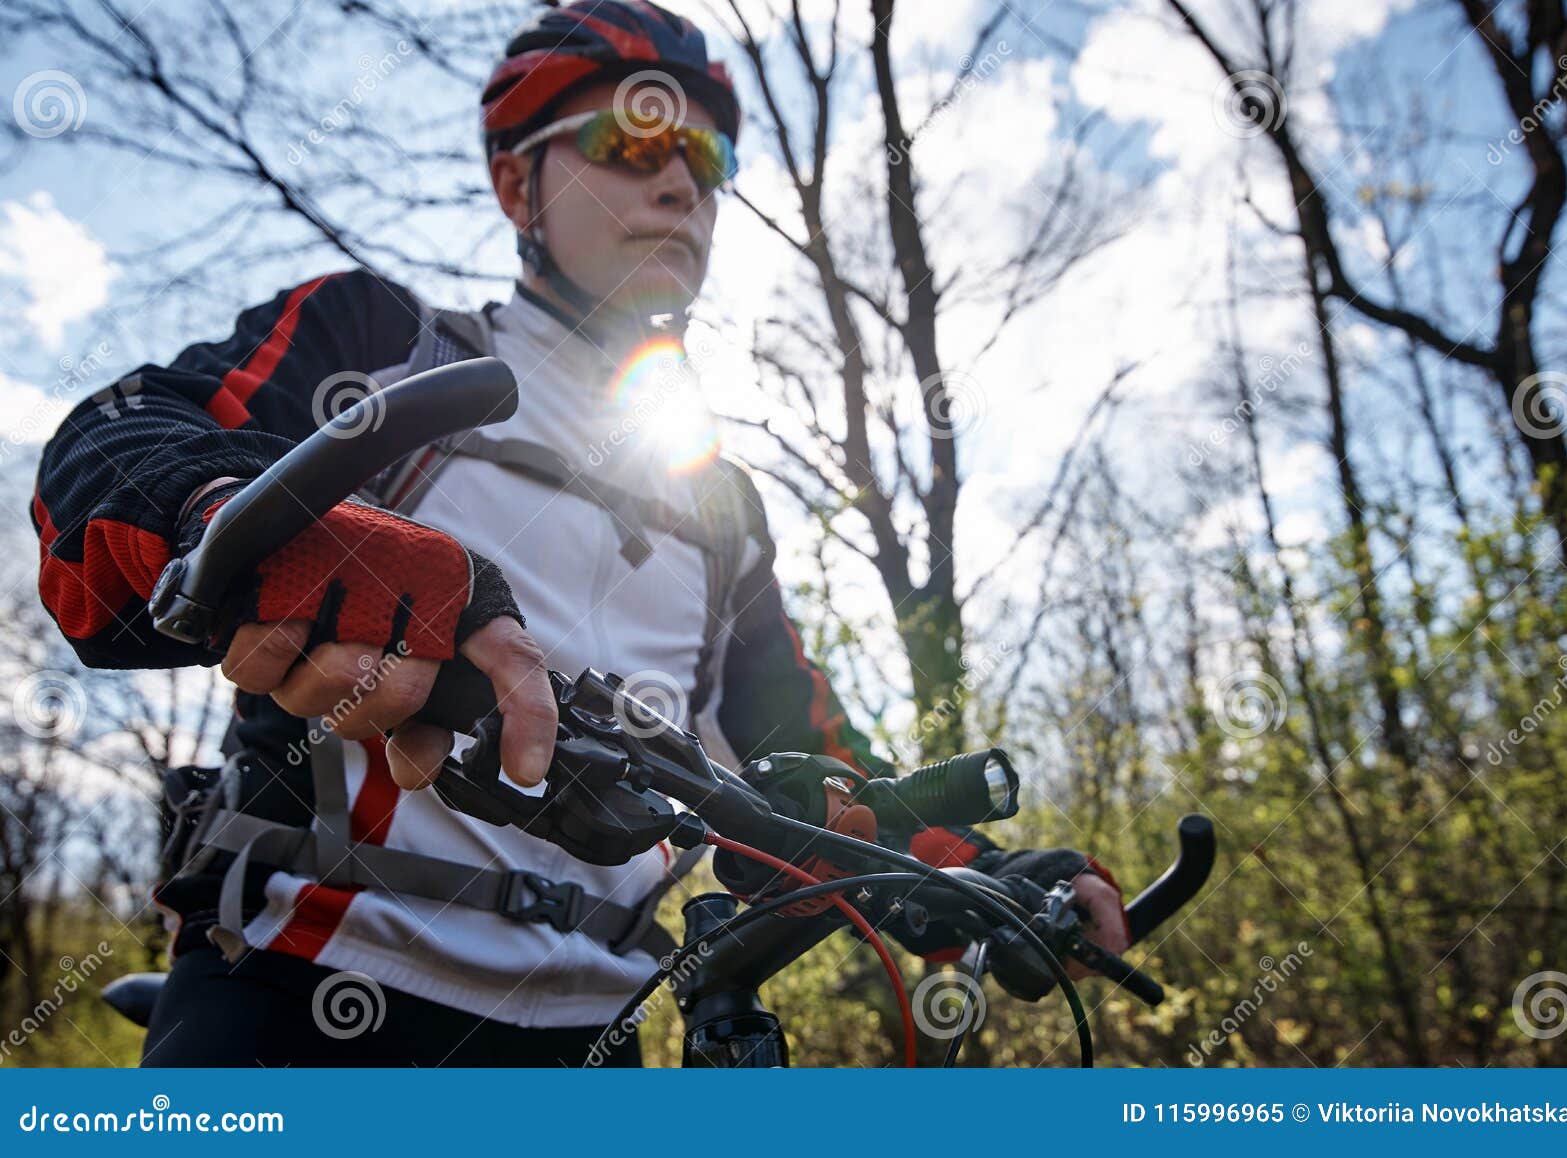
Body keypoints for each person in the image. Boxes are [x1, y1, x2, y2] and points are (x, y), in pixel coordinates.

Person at [32, 0, 1129, 1068]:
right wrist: (240, 522)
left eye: (709, 161)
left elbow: (806, 763)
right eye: (631, 136)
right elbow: (118, 437)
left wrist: (989, 881)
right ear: (518, 182)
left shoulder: (719, 502)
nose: (678, 182)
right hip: (295, 989)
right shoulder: (382, 346)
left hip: (588, 1039)